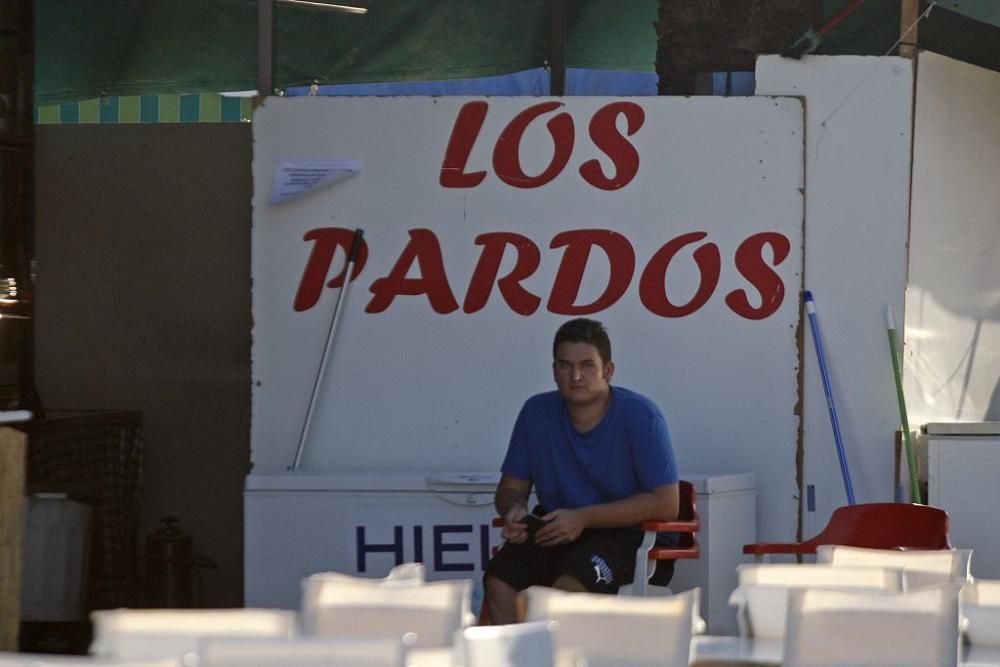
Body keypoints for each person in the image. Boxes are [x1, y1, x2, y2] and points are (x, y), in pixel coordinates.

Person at [484, 318, 679, 624]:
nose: (576, 375)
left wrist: (583, 517)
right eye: (565, 365)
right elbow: (510, 489)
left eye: (588, 365)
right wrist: (514, 511)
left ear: (608, 371)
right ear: (554, 371)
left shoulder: (641, 416)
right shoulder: (536, 412)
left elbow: (667, 503)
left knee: (561, 599)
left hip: (628, 537)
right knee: (498, 583)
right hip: (556, 528)